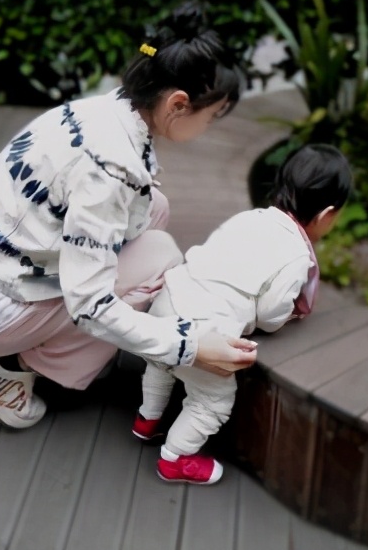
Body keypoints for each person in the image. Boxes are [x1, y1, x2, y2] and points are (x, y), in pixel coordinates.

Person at [0, 2, 259, 431]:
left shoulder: (96, 112)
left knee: (154, 208)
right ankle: (10, 370)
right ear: (178, 104)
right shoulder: (109, 170)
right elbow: (90, 305)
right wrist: (191, 346)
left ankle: (48, 349)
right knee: (160, 257)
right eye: (211, 117)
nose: (209, 127)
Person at [131, 144, 353, 484]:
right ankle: (175, 457)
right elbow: (270, 314)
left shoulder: (249, 218)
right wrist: (283, 317)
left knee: (160, 364)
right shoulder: (296, 257)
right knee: (212, 400)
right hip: (204, 332)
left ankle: (148, 419)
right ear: (326, 216)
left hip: (169, 298)